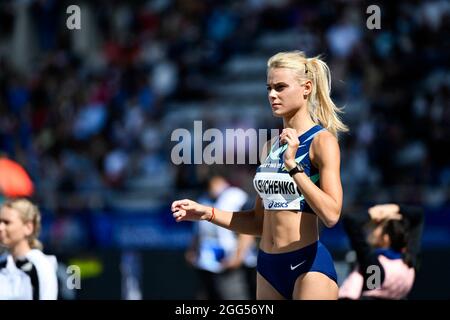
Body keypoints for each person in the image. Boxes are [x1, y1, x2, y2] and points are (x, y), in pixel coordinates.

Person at [172, 51, 348, 300]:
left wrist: (294, 168)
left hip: (307, 265)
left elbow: (332, 214)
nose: (272, 95)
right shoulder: (270, 147)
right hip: (267, 267)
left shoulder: (322, 141)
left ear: (306, 88)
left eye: (280, 87)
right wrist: (207, 213)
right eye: (269, 88)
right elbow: (257, 223)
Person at [185, 170, 257, 300]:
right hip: (208, 262)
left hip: (234, 263)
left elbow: (248, 228)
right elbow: (199, 230)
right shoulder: (203, 199)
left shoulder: (236, 196)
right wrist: (192, 248)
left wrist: (238, 257)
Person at [339, 203, 424, 300]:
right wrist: (395, 208)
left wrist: (374, 213)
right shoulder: (409, 261)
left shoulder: (374, 265)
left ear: (386, 237)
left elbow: (351, 221)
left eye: (377, 225)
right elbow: (418, 215)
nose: (371, 229)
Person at [0, 198, 58, 300]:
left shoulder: (40, 265)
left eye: (7, 222)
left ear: (28, 227)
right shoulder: (2, 262)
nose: (1, 227)